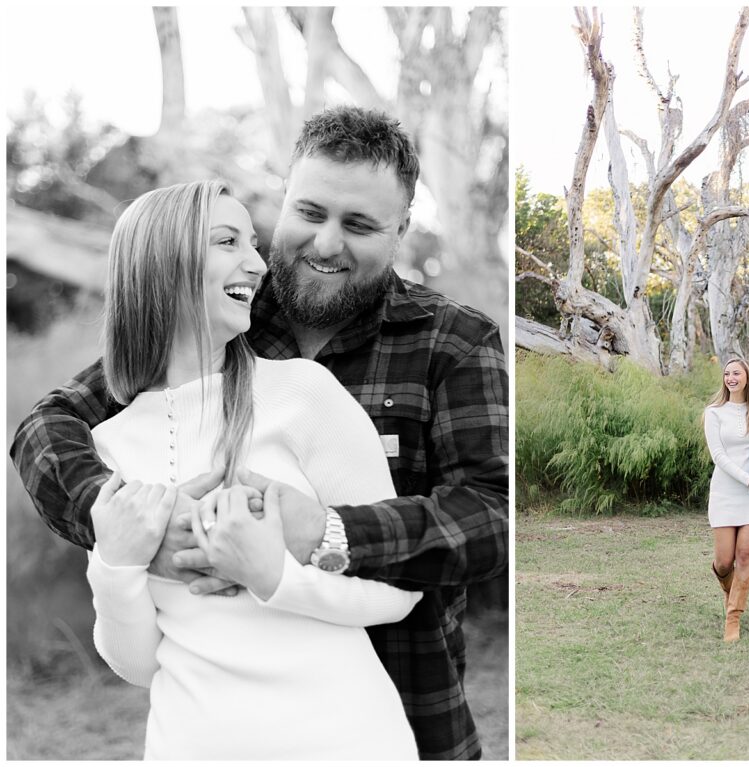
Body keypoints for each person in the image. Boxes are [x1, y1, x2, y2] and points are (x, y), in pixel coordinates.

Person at [10, 106, 509, 761]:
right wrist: (140, 530)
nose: (326, 244)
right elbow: (46, 428)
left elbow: (493, 516)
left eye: (358, 224)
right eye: (310, 212)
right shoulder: (226, 314)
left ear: (402, 230)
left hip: (406, 705)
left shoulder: (454, 342)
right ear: (285, 198)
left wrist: (321, 531)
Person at [82, 179, 421, 759]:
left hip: (346, 742)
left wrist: (275, 576)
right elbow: (138, 664)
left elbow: (400, 587)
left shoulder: (303, 393)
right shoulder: (106, 446)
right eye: (228, 242)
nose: (257, 264)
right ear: (162, 264)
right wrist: (114, 567)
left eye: (254, 243)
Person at [702, 357, 749, 642]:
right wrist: (747, 480)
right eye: (727, 373)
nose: (731, 378)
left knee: (744, 557)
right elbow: (718, 456)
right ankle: (733, 594)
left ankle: (733, 618)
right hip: (725, 493)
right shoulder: (714, 412)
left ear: (747, 377)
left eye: (737, 373)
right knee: (723, 562)